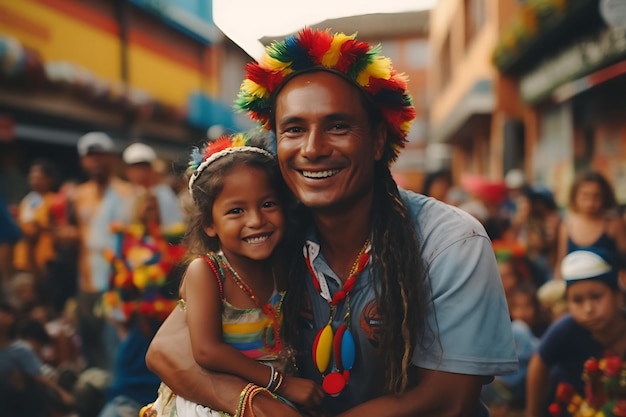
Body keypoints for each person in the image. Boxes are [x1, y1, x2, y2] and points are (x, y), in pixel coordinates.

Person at [146, 28, 517, 417]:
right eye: (294, 129)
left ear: (377, 140)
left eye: (338, 126)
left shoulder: (450, 242)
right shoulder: (271, 232)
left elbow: (448, 402)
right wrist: (259, 404)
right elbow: (167, 350)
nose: (313, 149)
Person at [144, 132, 324, 417]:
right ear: (209, 225)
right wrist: (282, 383)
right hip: (214, 402)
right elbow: (207, 351)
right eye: (236, 211)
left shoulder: (282, 267)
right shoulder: (208, 272)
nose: (256, 221)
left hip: (271, 394)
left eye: (268, 204)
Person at [525, 248, 626, 417]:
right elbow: (539, 364)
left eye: (596, 297)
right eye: (578, 300)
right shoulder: (565, 329)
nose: (588, 309)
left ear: (618, 296)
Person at [71, 132, 134, 371]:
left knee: (114, 348)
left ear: (111, 158)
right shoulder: (78, 195)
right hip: (86, 283)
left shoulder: (128, 193)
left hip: (118, 283)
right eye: (90, 156)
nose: (95, 161)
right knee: (89, 346)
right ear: (83, 161)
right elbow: (80, 237)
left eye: (100, 155)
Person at [554, 171, 626, 280]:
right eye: (585, 196)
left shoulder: (613, 224)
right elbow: (561, 261)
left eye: (596, 196)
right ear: (575, 196)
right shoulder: (568, 225)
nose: (590, 203)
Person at [122, 142, 184, 230]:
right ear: (128, 171)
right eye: (135, 167)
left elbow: (173, 227)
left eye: (143, 167)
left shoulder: (164, 193)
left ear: (151, 169)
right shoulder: (125, 193)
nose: (139, 172)